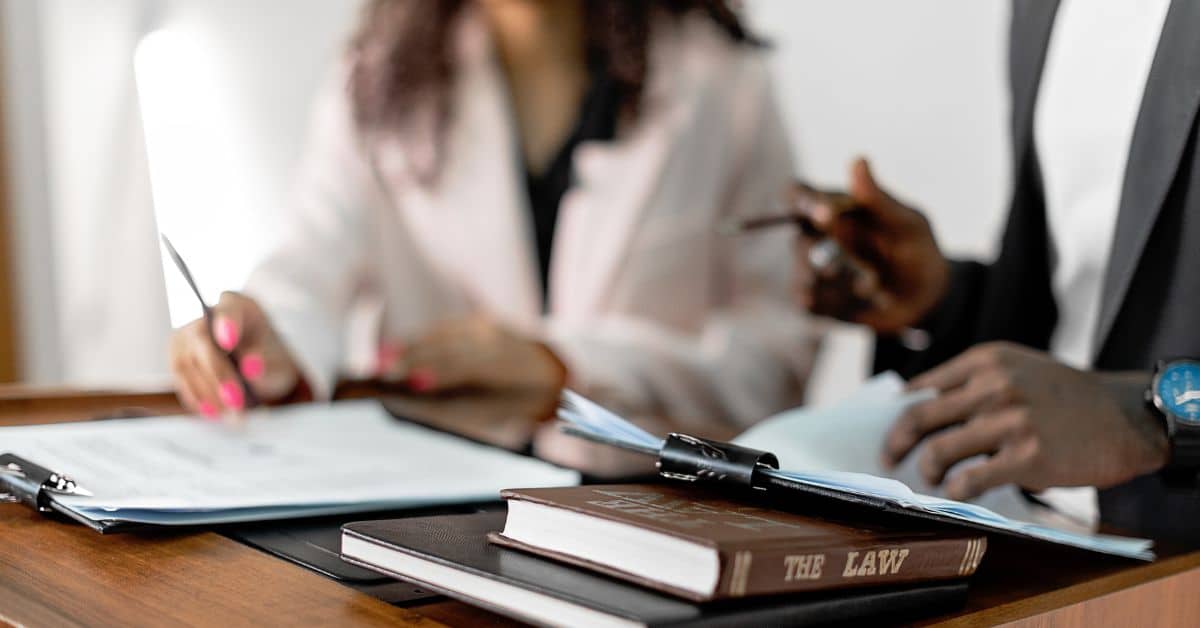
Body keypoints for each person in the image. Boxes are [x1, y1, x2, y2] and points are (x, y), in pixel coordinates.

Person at [168, 0, 816, 442]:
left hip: (651, 514)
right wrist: (273, 337)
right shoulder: (375, 81)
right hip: (431, 511)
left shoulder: (725, 85)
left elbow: (776, 360)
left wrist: (568, 370)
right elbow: (311, 261)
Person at [794, 0, 1200, 540]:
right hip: (1050, 538)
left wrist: (1155, 418)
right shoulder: (1038, 11)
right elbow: (1079, 318)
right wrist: (943, 302)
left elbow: (1112, 398)